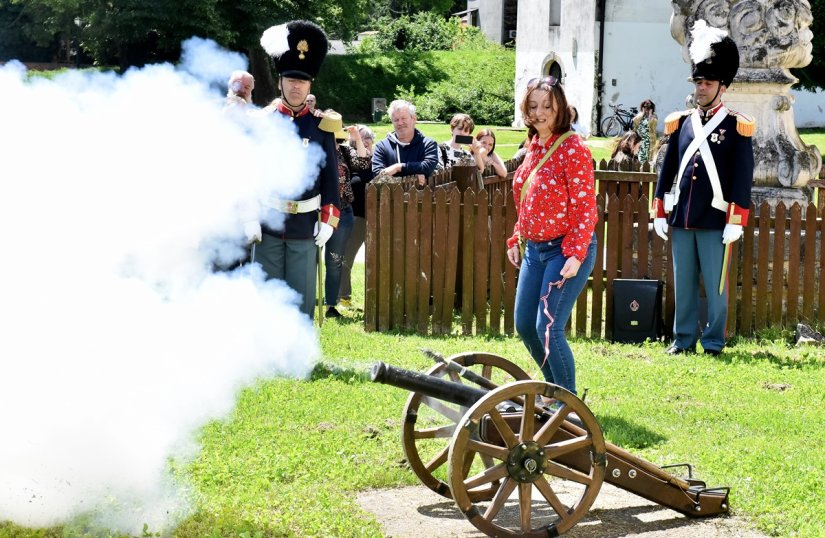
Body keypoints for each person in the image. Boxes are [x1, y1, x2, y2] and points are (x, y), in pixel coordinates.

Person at [652, 20, 754, 356]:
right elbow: (667, 170)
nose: (701, 88)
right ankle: (683, 340)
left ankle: (712, 341)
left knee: (716, 285)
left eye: (707, 82)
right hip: (682, 217)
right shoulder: (681, 123)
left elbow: (742, 176)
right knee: (683, 284)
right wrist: (660, 211)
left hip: (715, 219)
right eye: (698, 81)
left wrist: (736, 220)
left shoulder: (736, 126)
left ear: (722, 86)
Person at [505, 76, 598, 398]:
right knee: (525, 326)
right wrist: (518, 237)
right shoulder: (534, 146)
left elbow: (585, 205)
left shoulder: (573, 148)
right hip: (534, 251)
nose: (540, 112)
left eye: (547, 105)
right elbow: (526, 197)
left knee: (548, 327)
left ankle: (568, 405)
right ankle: (554, 390)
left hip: (565, 250)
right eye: (533, 106)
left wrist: (575, 254)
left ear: (560, 107)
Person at [254, 19, 341, 319]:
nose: (295, 86)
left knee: (302, 298)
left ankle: (299, 355)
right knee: (267, 294)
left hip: (305, 226)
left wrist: (329, 219)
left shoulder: (322, 126)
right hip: (267, 225)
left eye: (302, 81)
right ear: (280, 81)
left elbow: (330, 177)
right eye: (290, 79)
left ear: (310, 85)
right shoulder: (262, 122)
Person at [324, 123, 370, 318]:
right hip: (316, 211)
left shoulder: (344, 150)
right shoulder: (317, 147)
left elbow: (363, 162)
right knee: (309, 258)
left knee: (335, 260)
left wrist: (357, 137)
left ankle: (331, 305)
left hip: (342, 211)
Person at [339, 124, 375, 308]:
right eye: (360, 139)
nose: (365, 141)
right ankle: (343, 296)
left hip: (377, 218)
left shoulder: (377, 160)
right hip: (356, 217)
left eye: (368, 138)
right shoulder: (349, 159)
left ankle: (375, 297)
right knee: (346, 257)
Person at [371, 99, 439, 187]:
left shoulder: (428, 144)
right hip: (390, 198)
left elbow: (427, 167)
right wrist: (411, 180)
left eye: (403, 118)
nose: (400, 123)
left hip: (422, 197)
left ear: (414, 119)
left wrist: (398, 167)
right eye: (396, 120)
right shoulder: (381, 146)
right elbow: (378, 175)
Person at [632, 99, 658, 164]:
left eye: (649, 108)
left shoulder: (654, 116)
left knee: (649, 156)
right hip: (640, 139)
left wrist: (650, 115)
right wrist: (642, 114)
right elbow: (635, 122)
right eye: (645, 108)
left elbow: (652, 125)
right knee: (639, 154)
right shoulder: (640, 115)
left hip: (649, 140)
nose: (647, 109)